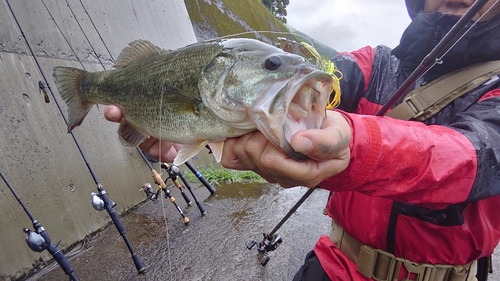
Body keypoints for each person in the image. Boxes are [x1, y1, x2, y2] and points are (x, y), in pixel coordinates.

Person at [105, 0, 500, 280]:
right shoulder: (375, 64)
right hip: (333, 267)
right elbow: (321, 78)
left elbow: (475, 157)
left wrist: (356, 143)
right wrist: (194, 131)